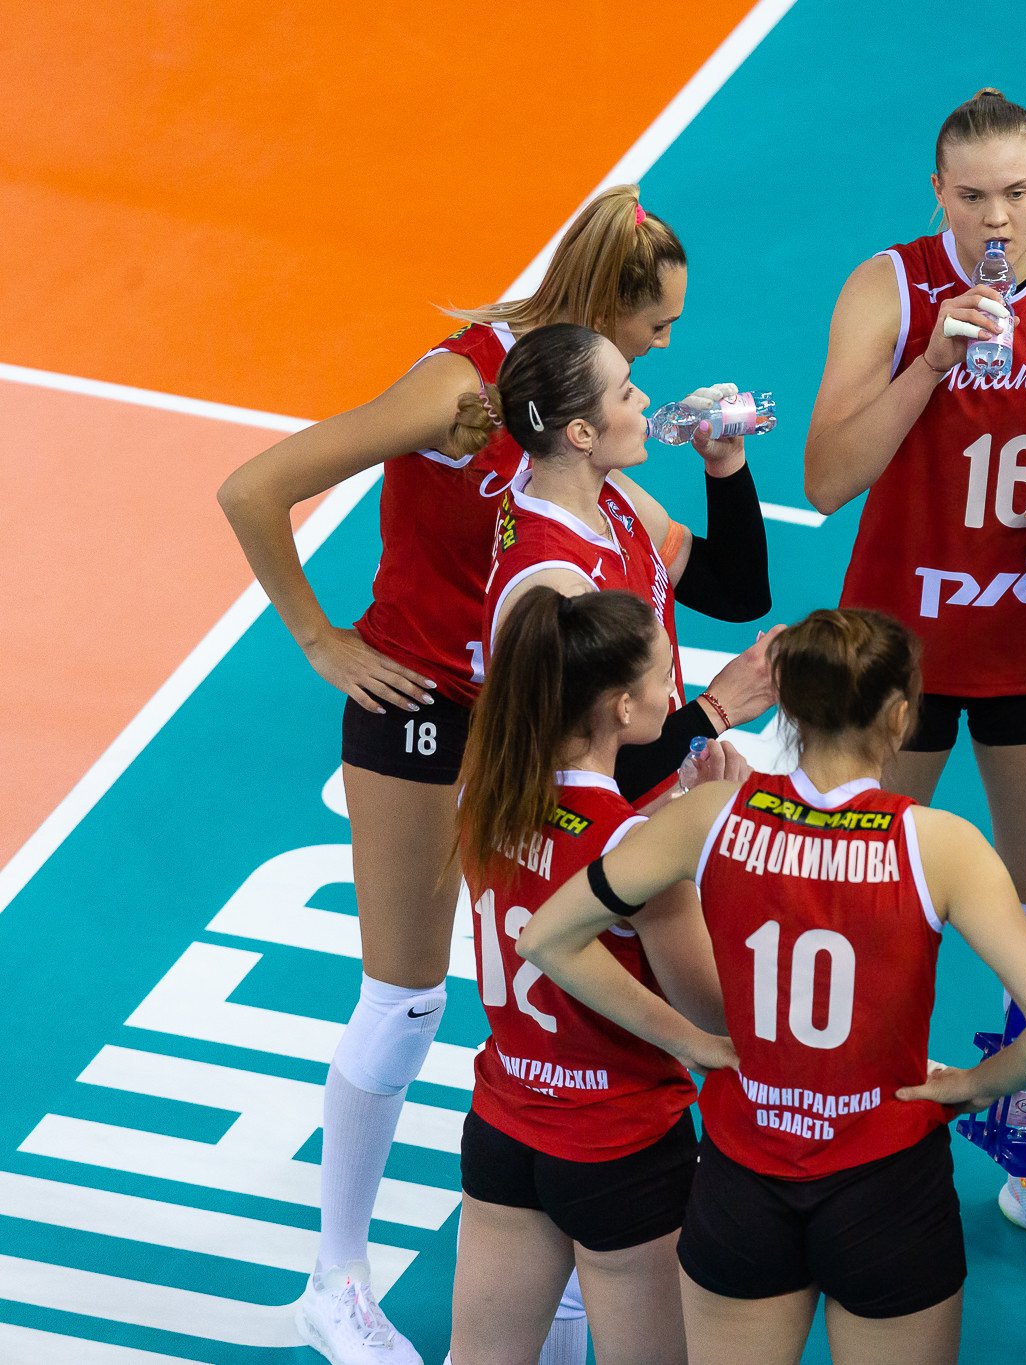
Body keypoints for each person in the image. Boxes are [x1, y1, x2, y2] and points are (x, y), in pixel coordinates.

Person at [216, 184, 769, 1364]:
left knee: (557, 992)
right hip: (428, 706)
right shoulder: (458, 390)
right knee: (410, 996)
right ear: (603, 322)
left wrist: (722, 475)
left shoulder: (588, 463)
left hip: (555, 727)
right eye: (653, 332)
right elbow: (253, 486)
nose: (660, 356)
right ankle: (335, 1280)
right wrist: (322, 640)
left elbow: (718, 580)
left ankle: (555, 1283)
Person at [520, 608, 1026, 1365]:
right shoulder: (939, 844)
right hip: (886, 1181)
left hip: (742, 1178)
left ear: (788, 704)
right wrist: (974, 1086)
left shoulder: (710, 816)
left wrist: (689, 1043)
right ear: (899, 715)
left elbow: (546, 938)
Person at [805, 87, 1026, 1273]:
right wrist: (928, 364)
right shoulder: (889, 290)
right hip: (893, 655)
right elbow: (824, 478)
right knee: (864, 896)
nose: (995, 218)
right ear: (937, 194)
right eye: (971, 197)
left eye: (1014, 193)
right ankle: (852, 1146)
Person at [450, 587, 737, 1364]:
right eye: (663, 675)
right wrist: (707, 847)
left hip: (506, 1124)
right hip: (621, 1149)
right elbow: (711, 1011)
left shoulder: (487, 797)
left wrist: (674, 818)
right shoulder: (636, 853)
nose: (673, 690)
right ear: (620, 707)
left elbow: (569, 844)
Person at [485, 321, 776, 803]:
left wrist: (725, 464)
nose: (644, 399)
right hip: (593, 837)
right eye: (625, 393)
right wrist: (721, 705)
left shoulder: (606, 495)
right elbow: (583, 781)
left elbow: (736, 592)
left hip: (646, 810)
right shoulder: (557, 585)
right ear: (581, 433)